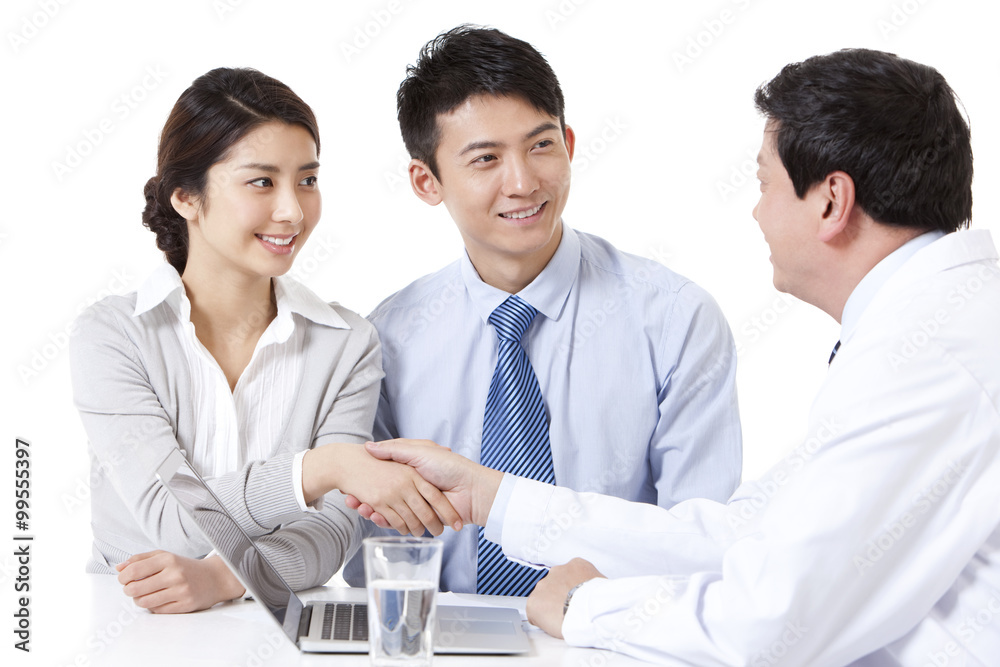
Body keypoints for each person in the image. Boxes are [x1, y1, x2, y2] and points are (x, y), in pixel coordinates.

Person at [352, 48, 1000, 665]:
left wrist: (583, 603)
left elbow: (773, 620)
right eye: (485, 157)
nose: (756, 212)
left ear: (831, 201)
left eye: (765, 184)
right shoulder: (933, 328)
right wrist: (492, 497)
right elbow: (741, 535)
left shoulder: (926, 355)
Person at [342, 25, 743, 595]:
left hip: (615, 642)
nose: (524, 183)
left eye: (541, 145)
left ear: (570, 144)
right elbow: (374, 554)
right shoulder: (388, 335)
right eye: (485, 159)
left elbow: (705, 546)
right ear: (426, 181)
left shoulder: (675, 319)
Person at [69, 67, 459, 614]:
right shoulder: (114, 335)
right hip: (131, 623)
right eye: (262, 181)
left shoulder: (346, 343)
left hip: (274, 624)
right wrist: (325, 467)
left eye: (307, 179)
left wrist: (225, 578)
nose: (293, 211)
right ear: (185, 195)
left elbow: (335, 532)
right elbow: (171, 521)